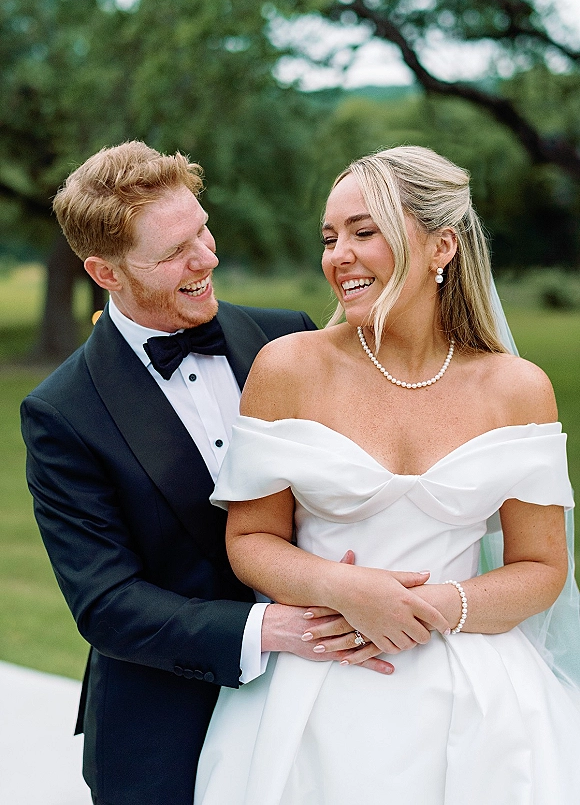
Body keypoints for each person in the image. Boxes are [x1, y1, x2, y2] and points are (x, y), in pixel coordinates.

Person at [20, 141, 441, 805]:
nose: (208, 258)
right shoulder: (62, 413)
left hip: (333, 706)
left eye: (203, 230)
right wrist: (275, 630)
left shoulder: (290, 340)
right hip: (165, 729)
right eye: (174, 253)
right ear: (105, 272)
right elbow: (107, 603)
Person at [195, 145, 580, 804]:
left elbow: (544, 568)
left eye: (363, 232)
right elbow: (249, 540)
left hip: (480, 702)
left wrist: (426, 608)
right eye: (329, 236)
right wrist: (343, 588)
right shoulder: (288, 369)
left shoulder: (517, 390)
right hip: (316, 690)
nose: (337, 254)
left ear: (442, 247)